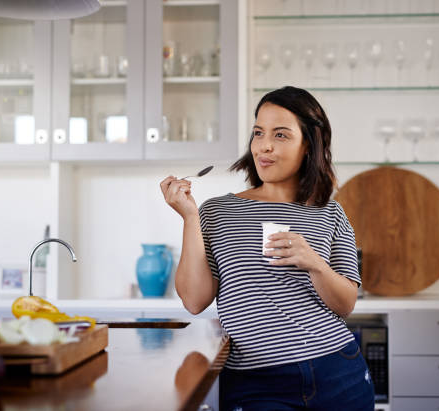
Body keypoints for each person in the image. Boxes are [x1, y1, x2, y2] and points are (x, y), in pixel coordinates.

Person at [160, 86, 375, 410]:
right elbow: (194, 300)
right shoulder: (217, 212)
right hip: (256, 381)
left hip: (338, 371)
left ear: (308, 145)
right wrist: (190, 217)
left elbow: (345, 305)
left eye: (281, 135)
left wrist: (314, 263)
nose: (265, 146)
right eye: (258, 132)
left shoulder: (330, 212)